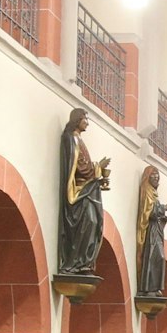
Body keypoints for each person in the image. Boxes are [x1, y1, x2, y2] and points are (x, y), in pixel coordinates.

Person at [57, 108, 110, 274]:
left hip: (87, 189)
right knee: (90, 221)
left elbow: (84, 165)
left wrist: (97, 175)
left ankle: (83, 262)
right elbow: (80, 167)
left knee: (93, 223)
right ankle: (76, 262)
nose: (87, 122)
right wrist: (98, 168)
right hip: (79, 191)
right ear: (77, 119)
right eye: (85, 119)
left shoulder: (78, 139)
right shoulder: (72, 138)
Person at [135, 165, 167, 297]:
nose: (156, 179)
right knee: (155, 256)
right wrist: (164, 208)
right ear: (148, 177)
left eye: (158, 177)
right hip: (150, 230)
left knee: (160, 258)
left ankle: (155, 287)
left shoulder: (153, 193)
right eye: (154, 176)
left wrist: (163, 217)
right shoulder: (146, 190)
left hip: (156, 228)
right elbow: (149, 211)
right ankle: (148, 287)